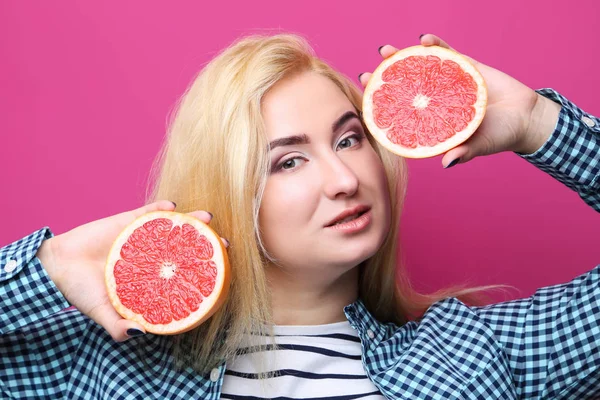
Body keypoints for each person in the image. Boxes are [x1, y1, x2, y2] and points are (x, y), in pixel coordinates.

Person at [1, 32, 598, 399]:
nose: (344, 180)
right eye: (288, 162)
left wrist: (536, 122)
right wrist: (47, 267)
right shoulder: (109, 367)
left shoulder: (476, 356)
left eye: (348, 140)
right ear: (230, 189)